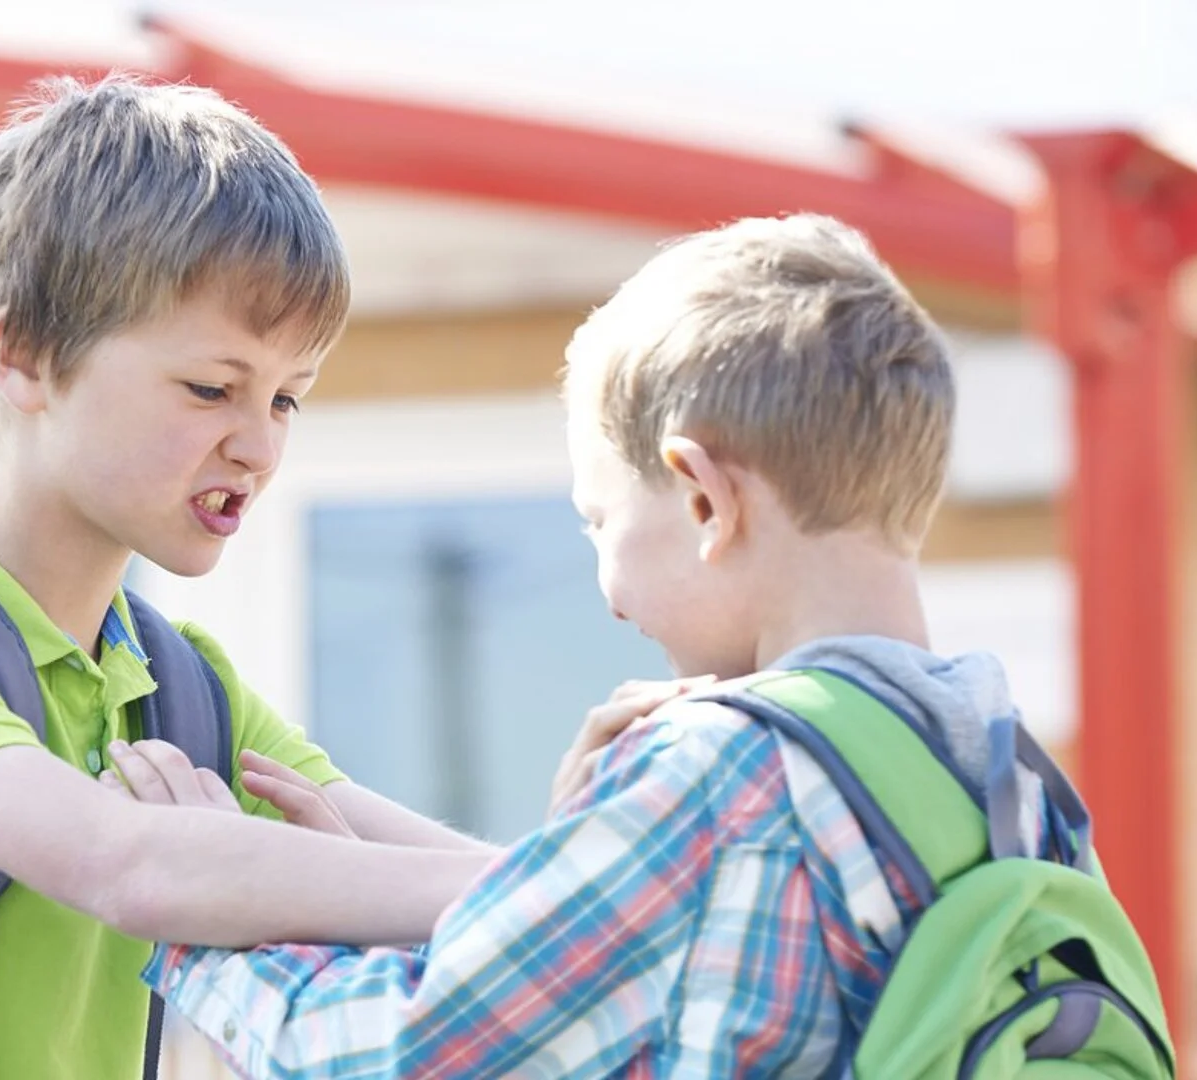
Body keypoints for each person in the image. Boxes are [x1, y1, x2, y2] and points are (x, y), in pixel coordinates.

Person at [0, 74, 522, 1080]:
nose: (260, 447)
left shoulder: (176, 687)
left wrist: (607, 892)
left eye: (288, 401)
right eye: (213, 389)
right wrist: (563, 901)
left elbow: (418, 862)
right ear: (26, 356)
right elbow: (127, 864)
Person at [138, 214, 1068, 1076]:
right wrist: (561, 864)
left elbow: (408, 1053)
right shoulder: (1011, 780)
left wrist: (207, 904)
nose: (611, 597)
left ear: (704, 499)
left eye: (600, 523)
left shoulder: (724, 773)